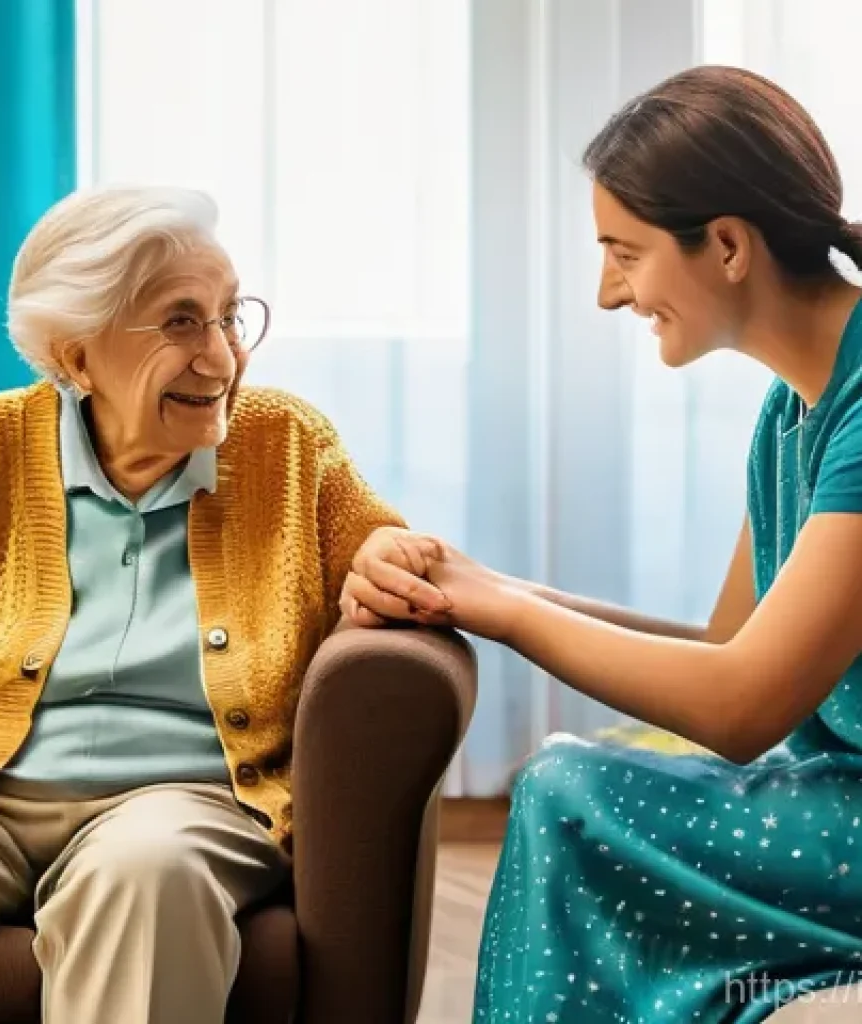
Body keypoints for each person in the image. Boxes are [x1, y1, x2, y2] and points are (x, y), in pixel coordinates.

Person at [342, 66, 862, 1021]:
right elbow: (723, 649)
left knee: (569, 788)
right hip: (838, 804)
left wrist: (502, 613)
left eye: (624, 253)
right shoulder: (794, 409)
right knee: (585, 782)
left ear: (729, 247)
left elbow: (744, 706)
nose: (606, 293)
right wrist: (481, 584)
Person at [0, 184, 404, 1024]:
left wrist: (389, 562)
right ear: (75, 358)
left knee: (150, 876)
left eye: (229, 316)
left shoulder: (287, 445)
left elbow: (381, 553)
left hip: (186, 797)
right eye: (180, 323)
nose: (220, 357)